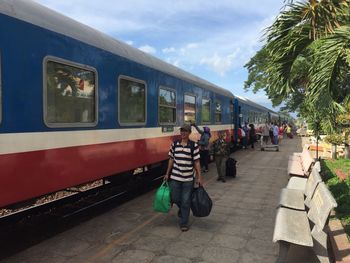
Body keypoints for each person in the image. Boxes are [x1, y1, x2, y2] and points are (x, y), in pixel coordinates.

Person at [164, 124, 203, 232]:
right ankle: (183, 210)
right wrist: (167, 173)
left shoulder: (193, 145)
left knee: (186, 201)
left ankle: (184, 223)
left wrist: (199, 177)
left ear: (189, 133)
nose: (183, 133)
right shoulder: (175, 144)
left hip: (188, 179)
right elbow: (171, 159)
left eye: (185, 131)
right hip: (175, 177)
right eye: (182, 131)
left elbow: (197, 162)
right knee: (175, 198)